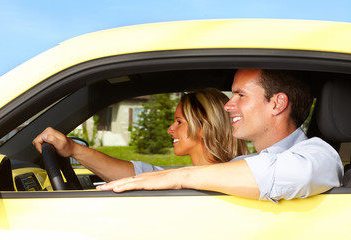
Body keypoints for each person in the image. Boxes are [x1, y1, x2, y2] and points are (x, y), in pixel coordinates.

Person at [97, 69, 343, 202]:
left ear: (277, 103)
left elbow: (291, 174)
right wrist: (73, 149)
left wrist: (182, 177)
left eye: (240, 95)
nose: (228, 105)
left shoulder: (319, 155)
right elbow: (158, 176)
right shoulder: (241, 167)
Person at [33, 88, 248, 182]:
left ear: (205, 127)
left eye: (179, 122)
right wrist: (72, 148)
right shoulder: (191, 175)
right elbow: (135, 172)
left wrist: (173, 179)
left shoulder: (244, 171)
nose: (169, 129)